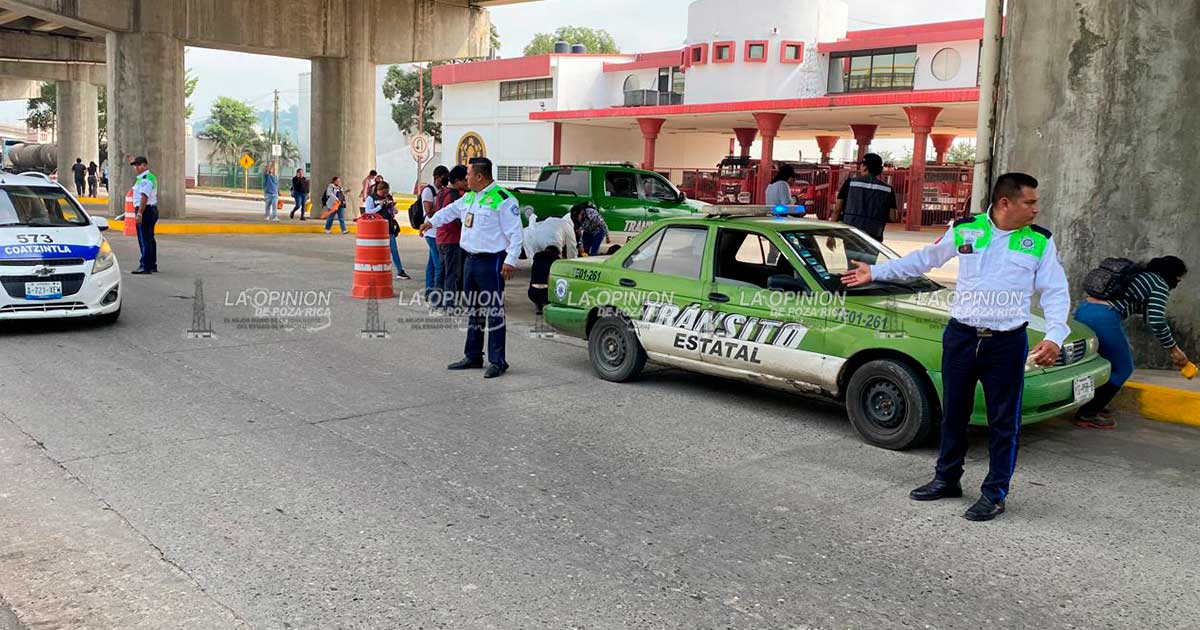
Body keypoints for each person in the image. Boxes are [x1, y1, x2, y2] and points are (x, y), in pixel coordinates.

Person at [841, 172, 1070, 522]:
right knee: (954, 414)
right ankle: (947, 478)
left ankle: (994, 493)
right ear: (1005, 203)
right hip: (961, 337)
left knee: (1003, 422)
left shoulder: (1038, 242)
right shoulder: (966, 229)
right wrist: (876, 273)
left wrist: (1054, 334)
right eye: (1030, 202)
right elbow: (927, 258)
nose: (1036, 209)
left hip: (1006, 343)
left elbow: (1055, 290)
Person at [420, 157, 523, 379]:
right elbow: (450, 212)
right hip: (469, 260)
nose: (465, 177)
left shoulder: (502, 199)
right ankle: (473, 355)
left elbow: (515, 232)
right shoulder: (470, 197)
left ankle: (498, 361)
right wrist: (432, 221)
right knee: (474, 310)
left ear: (479, 176)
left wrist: (510, 260)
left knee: (493, 311)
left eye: (468, 174)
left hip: (491, 261)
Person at [1072, 256, 1190, 429]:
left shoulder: (1139, 275)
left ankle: (1095, 403)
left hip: (1084, 310)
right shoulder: (1159, 284)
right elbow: (1156, 320)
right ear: (1172, 274)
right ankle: (1087, 413)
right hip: (1104, 316)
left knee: (1103, 363)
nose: (1178, 282)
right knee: (1123, 368)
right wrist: (1174, 349)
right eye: (1178, 278)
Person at [831, 153, 897, 242]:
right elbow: (893, 217)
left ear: (865, 167)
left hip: (851, 232)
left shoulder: (850, 183)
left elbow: (837, 209)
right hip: (875, 234)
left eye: (861, 165)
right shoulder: (888, 189)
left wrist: (831, 233)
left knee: (852, 256)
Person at [435, 165, 468, 310]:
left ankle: (438, 301)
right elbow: (456, 218)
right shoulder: (454, 196)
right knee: (452, 274)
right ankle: (450, 304)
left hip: (441, 237)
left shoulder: (442, 192)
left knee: (442, 271)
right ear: (457, 180)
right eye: (464, 180)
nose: (467, 183)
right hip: (452, 239)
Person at [366, 180, 412, 280]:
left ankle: (400, 271)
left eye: (387, 192)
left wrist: (393, 208)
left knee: (394, 249)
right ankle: (373, 270)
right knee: (376, 251)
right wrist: (380, 206)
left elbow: (395, 210)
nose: (385, 195)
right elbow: (368, 212)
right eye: (384, 192)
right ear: (379, 190)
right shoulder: (371, 198)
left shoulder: (389, 197)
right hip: (377, 228)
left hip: (389, 227)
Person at [422, 165, 450, 304]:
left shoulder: (444, 190)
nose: (444, 180)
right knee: (439, 264)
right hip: (431, 233)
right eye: (442, 178)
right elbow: (429, 212)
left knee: (432, 263)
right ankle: (435, 294)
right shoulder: (429, 191)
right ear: (437, 177)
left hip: (439, 232)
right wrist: (440, 200)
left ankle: (429, 289)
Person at [129, 156, 159, 275]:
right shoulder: (144, 178)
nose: (136, 167)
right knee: (150, 238)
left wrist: (140, 213)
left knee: (144, 239)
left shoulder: (146, 178)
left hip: (145, 210)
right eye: (135, 165)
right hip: (150, 209)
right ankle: (151, 264)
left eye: (139, 165)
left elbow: (144, 197)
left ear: (145, 165)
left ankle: (145, 265)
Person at [528, 245, 560, 315]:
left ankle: (538, 304)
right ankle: (546, 303)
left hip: (532, 293)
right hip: (546, 293)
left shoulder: (536, 258)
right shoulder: (555, 259)